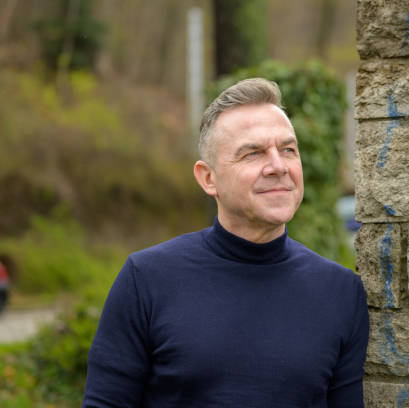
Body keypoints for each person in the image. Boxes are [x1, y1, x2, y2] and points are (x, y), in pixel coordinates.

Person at [82, 78, 369, 407]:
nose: (278, 166)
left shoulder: (341, 293)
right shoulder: (147, 279)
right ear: (208, 178)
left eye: (288, 149)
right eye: (253, 153)